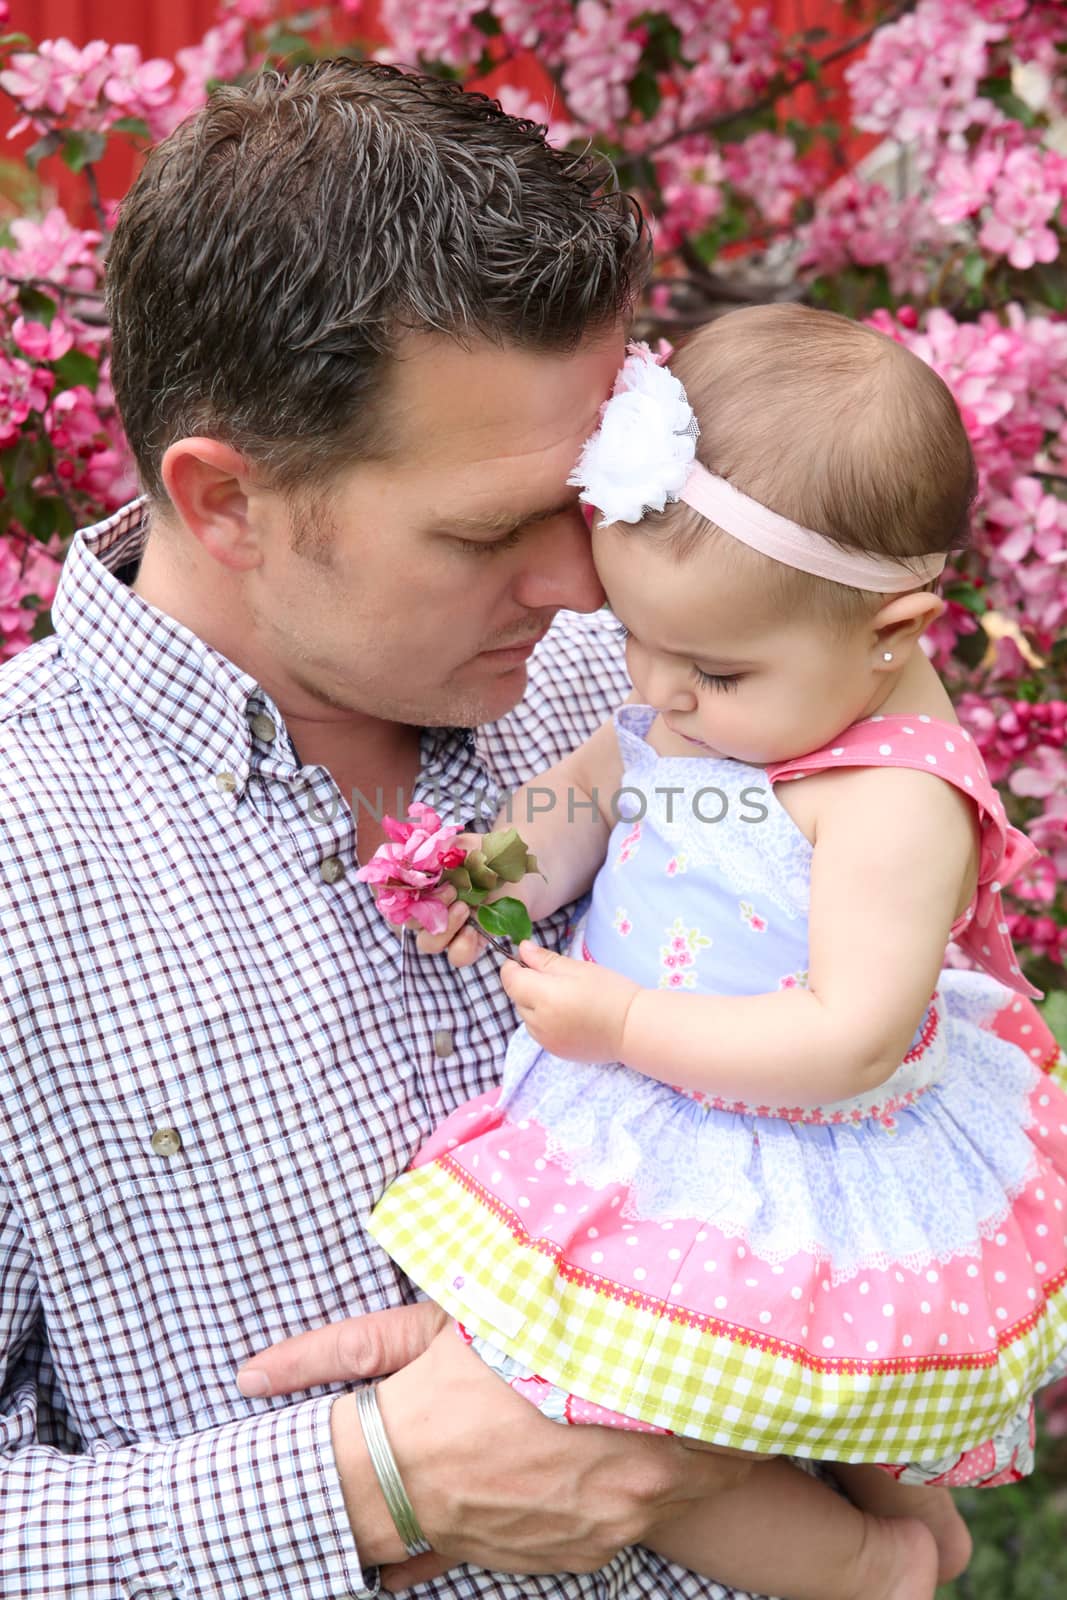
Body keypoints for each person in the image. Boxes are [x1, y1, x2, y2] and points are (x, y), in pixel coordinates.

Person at [0, 59, 768, 1600]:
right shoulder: (26, 860)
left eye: (599, 496)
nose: (577, 582)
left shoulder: (657, 694)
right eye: (489, 531)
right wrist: (373, 1486)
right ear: (224, 501)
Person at [366, 305, 1067, 1600]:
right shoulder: (733, 678)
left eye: (712, 670)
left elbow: (848, 1034)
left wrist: (625, 1027)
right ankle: (910, 1524)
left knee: (629, 1414)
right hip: (689, 1095)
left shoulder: (891, 803)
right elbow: (601, 782)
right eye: (637, 638)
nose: (662, 689)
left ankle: (869, 1564)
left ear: (895, 630)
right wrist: (496, 875)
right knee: (802, 1375)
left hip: (805, 1138)